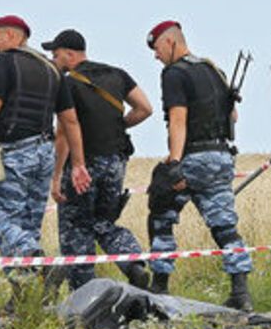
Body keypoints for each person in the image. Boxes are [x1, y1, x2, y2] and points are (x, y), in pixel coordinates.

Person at [0, 15, 90, 291]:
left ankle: (38, 260)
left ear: (12, 35)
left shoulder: (3, 62)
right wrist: (78, 163)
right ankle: (25, 295)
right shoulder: (51, 70)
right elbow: (70, 121)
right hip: (44, 153)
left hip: (13, 153)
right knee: (27, 225)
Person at [145, 20, 252, 310]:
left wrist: (174, 163)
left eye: (157, 48)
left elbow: (178, 119)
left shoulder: (174, 74)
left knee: (161, 213)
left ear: (170, 42)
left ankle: (159, 287)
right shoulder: (213, 69)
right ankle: (241, 294)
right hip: (221, 157)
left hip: (193, 157)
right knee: (224, 226)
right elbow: (233, 117)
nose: (156, 56)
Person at [44, 28, 153, 291]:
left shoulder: (67, 84)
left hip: (83, 166)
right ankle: (133, 263)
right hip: (116, 162)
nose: (54, 61)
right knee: (103, 222)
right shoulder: (117, 74)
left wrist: (56, 176)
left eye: (56, 55)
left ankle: (84, 294)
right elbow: (144, 108)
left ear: (70, 54)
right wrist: (119, 125)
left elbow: (63, 133)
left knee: (76, 228)